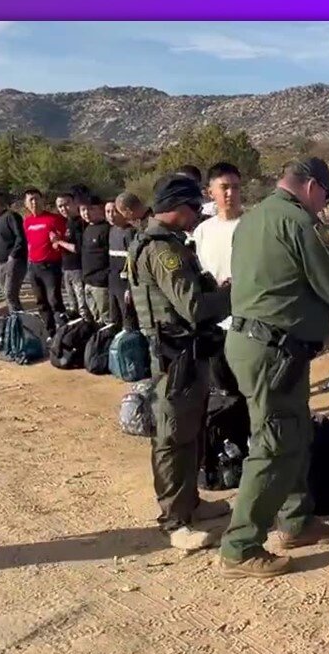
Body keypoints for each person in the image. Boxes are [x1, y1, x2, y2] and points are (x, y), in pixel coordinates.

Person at [219, 158, 329, 578]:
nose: (325, 204)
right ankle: (240, 546)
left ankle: (295, 520)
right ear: (310, 186)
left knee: (294, 433)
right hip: (272, 351)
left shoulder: (254, 219)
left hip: (261, 347)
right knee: (272, 443)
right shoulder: (297, 222)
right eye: (325, 195)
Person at [128, 174, 233, 550]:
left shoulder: (167, 243)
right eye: (193, 210)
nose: (196, 218)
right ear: (179, 207)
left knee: (190, 431)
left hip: (186, 355)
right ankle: (174, 521)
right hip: (175, 358)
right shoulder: (162, 251)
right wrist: (230, 296)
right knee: (172, 437)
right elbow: (193, 308)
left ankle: (190, 504)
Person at [190, 162, 246, 394]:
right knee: (223, 388)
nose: (230, 193)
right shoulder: (203, 230)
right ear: (209, 191)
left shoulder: (253, 225)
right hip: (214, 322)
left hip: (245, 320)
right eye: (224, 187)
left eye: (235, 187)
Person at [22, 188, 69, 334]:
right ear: (26, 204)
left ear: (43, 200)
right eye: (31, 200)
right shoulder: (27, 222)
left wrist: (57, 242)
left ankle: (64, 330)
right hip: (33, 266)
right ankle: (50, 332)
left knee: (54, 300)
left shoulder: (55, 219)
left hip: (51, 266)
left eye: (37, 198)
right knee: (41, 302)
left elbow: (63, 239)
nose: (34, 202)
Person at [0, 191, 28, 312]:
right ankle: (16, 321)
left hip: (14, 261)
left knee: (10, 294)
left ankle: (18, 321)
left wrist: (13, 255)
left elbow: (20, 237)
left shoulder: (11, 216)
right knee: (8, 296)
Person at [109, 194, 142, 329]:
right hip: (113, 283)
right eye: (108, 212)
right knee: (115, 319)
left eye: (115, 211)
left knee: (129, 320)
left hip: (125, 284)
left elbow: (133, 263)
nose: (111, 215)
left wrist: (129, 287)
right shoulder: (111, 231)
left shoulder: (130, 233)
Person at [55, 192, 88, 319]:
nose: (64, 209)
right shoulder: (65, 222)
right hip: (66, 268)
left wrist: (59, 242)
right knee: (72, 306)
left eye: (66, 204)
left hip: (78, 268)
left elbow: (77, 248)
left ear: (74, 203)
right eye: (60, 206)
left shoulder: (81, 222)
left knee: (82, 306)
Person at [79, 195, 112, 321]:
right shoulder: (87, 229)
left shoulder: (107, 229)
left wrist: (104, 276)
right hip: (88, 282)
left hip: (102, 285)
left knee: (107, 319)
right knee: (95, 319)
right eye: (83, 210)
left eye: (90, 209)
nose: (86, 213)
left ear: (100, 209)